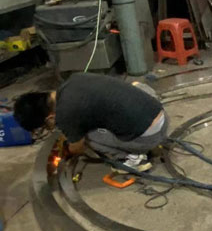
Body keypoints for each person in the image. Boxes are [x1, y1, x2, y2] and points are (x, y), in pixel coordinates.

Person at [13, 73, 168, 172]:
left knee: (86, 136)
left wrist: (69, 148)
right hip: (161, 117)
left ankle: (135, 158)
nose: (49, 128)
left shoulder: (66, 115)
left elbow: (77, 148)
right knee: (132, 89)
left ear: (49, 118)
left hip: (149, 137)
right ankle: (141, 141)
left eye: (46, 126)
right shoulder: (74, 80)